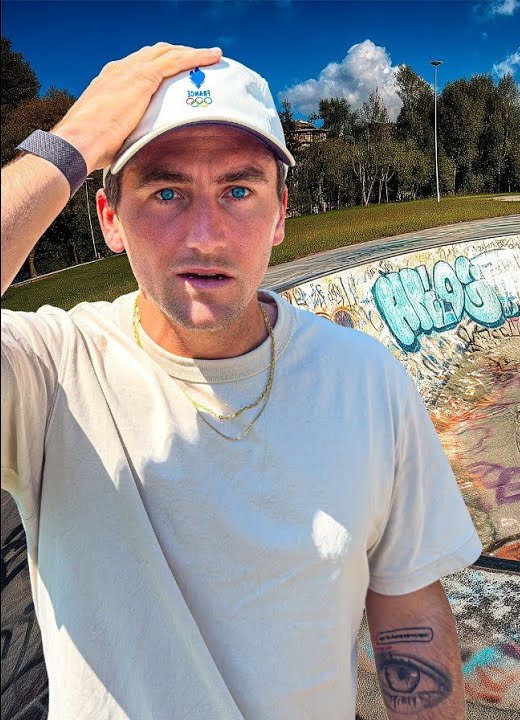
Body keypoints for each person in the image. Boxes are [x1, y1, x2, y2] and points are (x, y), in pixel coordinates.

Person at [1, 44, 481, 719]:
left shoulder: (367, 380)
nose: (206, 234)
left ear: (281, 214)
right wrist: (73, 142)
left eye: (239, 190)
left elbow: (408, 610)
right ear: (110, 217)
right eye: (166, 191)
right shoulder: (47, 372)